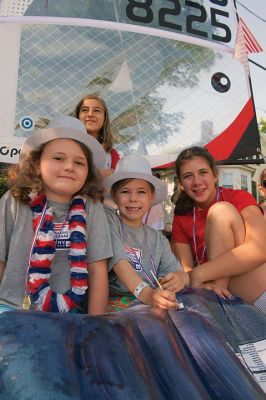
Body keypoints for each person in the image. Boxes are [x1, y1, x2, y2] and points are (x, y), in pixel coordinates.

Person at [0, 116, 113, 315]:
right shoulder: (14, 200)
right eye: (58, 158)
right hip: (11, 309)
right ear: (36, 165)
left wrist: (96, 327)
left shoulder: (92, 208)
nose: (69, 166)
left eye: (79, 162)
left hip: (67, 315)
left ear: (88, 173)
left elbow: (97, 270)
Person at [171, 146, 266, 314]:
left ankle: (218, 300)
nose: (197, 182)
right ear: (181, 184)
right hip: (222, 294)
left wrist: (198, 275)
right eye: (188, 176)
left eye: (203, 173)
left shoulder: (238, 197)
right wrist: (196, 278)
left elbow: (260, 249)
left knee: (221, 211)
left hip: (258, 290)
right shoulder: (181, 216)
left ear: (215, 175)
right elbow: (185, 268)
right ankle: (219, 303)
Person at [104, 154, 189, 312]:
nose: (133, 199)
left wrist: (180, 278)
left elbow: (176, 271)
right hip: (118, 302)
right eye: (125, 191)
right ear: (115, 196)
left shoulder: (158, 238)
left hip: (153, 300)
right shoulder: (108, 222)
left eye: (141, 192)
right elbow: (118, 261)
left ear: (151, 198)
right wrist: (147, 295)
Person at [76, 94, 120, 177]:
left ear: (105, 118)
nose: (90, 114)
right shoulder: (67, 145)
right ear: (78, 116)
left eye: (96, 110)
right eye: (85, 110)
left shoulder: (112, 154)